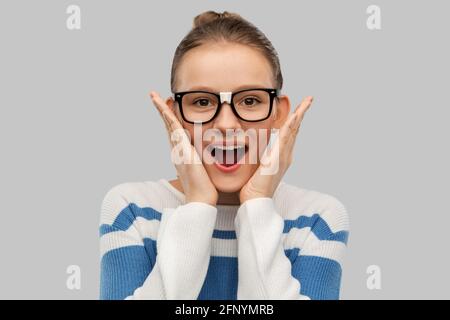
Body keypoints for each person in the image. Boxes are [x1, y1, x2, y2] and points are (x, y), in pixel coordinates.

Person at [99, 10, 349, 300]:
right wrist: (198, 205)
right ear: (174, 114)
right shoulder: (132, 210)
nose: (227, 124)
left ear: (279, 113)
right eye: (202, 101)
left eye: (251, 100)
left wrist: (257, 204)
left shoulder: (318, 219)